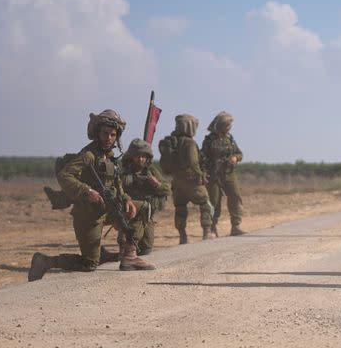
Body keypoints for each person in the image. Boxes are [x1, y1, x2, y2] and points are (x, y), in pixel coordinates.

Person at [28, 110, 155, 281]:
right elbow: (65, 175)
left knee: (143, 208)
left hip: (109, 209)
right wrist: (87, 192)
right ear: (97, 133)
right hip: (88, 215)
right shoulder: (88, 155)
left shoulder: (110, 158)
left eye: (113, 134)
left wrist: (126, 199)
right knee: (89, 264)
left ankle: (129, 257)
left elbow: (116, 184)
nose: (109, 138)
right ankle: (46, 261)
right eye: (105, 133)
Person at [162, 114, 214, 244]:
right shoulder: (189, 142)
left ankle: (183, 236)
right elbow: (194, 162)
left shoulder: (171, 143)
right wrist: (201, 175)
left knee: (180, 208)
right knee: (205, 204)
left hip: (177, 182)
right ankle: (207, 232)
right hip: (192, 181)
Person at [119, 138, 171, 255]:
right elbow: (118, 191)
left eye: (143, 156)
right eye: (137, 156)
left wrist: (156, 184)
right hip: (130, 214)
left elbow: (167, 190)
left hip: (147, 215)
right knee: (127, 242)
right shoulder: (125, 174)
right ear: (132, 157)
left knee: (146, 249)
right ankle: (125, 251)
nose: (140, 159)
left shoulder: (151, 171)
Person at [201, 111, 245, 237]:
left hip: (229, 174)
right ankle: (212, 228)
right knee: (214, 202)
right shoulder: (209, 140)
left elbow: (239, 154)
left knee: (235, 197)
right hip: (213, 176)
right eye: (226, 125)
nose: (229, 128)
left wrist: (235, 158)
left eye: (229, 125)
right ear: (219, 125)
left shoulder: (230, 139)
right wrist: (204, 173)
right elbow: (202, 158)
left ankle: (235, 226)